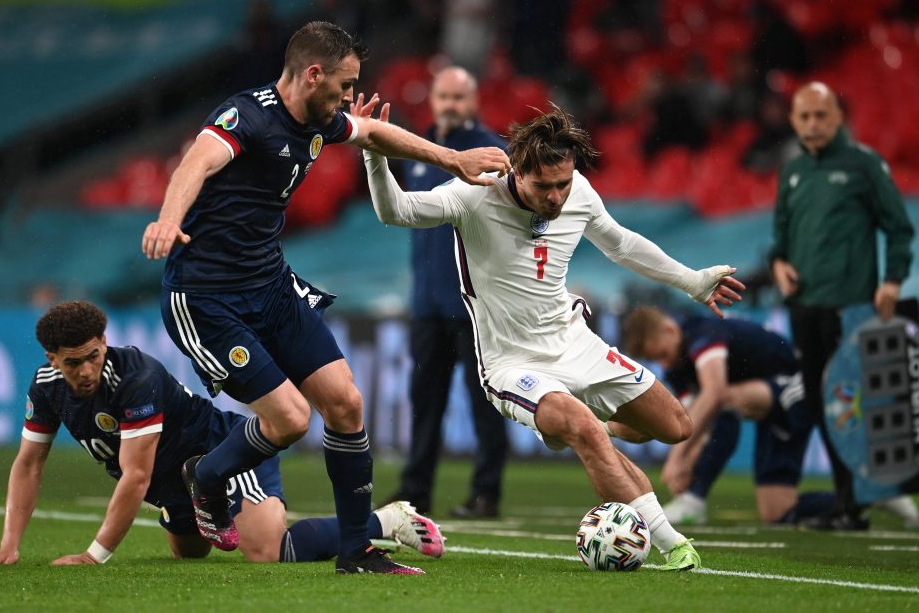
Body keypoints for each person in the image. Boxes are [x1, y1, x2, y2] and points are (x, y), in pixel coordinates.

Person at [141, 21, 509, 575]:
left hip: (270, 283)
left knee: (345, 403)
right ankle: (208, 476)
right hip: (207, 298)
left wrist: (452, 161)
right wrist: (169, 220)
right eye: (343, 84)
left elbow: (375, 134)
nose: (346, 96)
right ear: (313, 75)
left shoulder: (320, 119)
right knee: (289, 420)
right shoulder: (249, 116)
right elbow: (197, 161)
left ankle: (356, 550)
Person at [364, 103, 745, 570]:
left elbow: (622, 243)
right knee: (583, 432)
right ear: (516, 172)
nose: (556, 196)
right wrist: (374, 155)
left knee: (675, 428)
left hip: (575, 344)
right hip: (513, 363)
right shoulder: (473, 196)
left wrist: (691, 281)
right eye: (544, 186)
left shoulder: (578, 192)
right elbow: (394, 211)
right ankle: (672, 545)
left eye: (563, 183)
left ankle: (593, 428)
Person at [0, 301, 444, 568]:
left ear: (104, 343)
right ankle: (188, 508)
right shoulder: (47, 387)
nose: (86, 370)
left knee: (268, 551)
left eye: (93, 355)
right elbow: (29, 462)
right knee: (189, 554)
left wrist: (94, 555)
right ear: (51, 359)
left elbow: (134, 476)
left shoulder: (135, 376)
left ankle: (385, 521)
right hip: (175, 485)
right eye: (73, 362)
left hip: (225, 454)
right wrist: (9, 545)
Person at [771, 81, 915, 530]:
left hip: (851, 306)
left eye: (821, 115)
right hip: (805, 307)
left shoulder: (864, 165)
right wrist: (779, 265)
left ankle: (864, 496)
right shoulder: (792, 171)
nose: (812, 124)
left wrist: (892, 280)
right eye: (804, 116)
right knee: (819, 403)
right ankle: (850, 502)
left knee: (850, 404)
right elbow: (781, 239)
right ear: (793, 121)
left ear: (838, 118)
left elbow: (899, 228)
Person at [384, 66, 509, 519]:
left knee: (487, 401)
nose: (451, 105)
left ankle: (487, 492)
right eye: (443, 96)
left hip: (475, 304)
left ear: (474, 100)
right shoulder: (419, 148)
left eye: (459, 97)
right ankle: (414, 492)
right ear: (432, 99)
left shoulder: (495, 151)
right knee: (425, 405)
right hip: (427, 304)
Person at [622, 306, 839, 526]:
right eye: (655, 360)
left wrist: (676, 459)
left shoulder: (703, 332)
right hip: (771, 403)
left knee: (721, 401)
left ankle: (694, 500)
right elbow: (690, 425)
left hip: (798, 387)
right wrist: (687, 463)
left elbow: (715, 393)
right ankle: (849, 502)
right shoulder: (676, 366)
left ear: (670, 329)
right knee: (776, 511)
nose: (664, 364)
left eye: (662, 355)